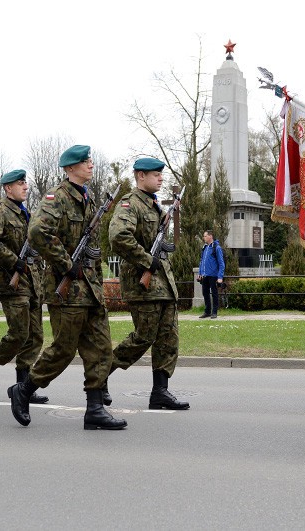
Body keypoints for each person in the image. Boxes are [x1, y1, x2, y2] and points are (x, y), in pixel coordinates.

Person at [9, 144, 127, 430]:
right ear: (71, 168)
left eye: (91, 160)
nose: (91, 165)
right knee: (63, 350)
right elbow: (37, 231)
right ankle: (24, 390)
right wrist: (65, 263)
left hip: (91, 289)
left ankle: (95, 409)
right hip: (68, 290)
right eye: (85, 161)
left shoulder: (87, 198)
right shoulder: (57, 197)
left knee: (101, 349)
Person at [104, 157, 189, 410]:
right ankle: (100, 374)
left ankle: (160, 392)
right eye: (155, 174)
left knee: (168, 339)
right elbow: (118, 236)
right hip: (143, 285)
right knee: (143, 337)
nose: (160, 178)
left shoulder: (153, 205)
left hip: (163, 283)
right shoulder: (130, 203)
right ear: (141, 176)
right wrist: (146, 259)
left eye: (161, 174)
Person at [0, 169, 48, 404]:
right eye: (20, 183)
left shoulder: (26, 213)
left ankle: (23, 387)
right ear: (8, 188)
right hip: (11, 281)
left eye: (25, 182)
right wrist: (13, 261)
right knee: (19, 333)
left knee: (35, 336)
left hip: (31, 281)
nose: (26, 186)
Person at [198, 230, 225, 319]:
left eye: (205, 236)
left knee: (214, 294)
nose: (204, 238)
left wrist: (220, 277)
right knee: (205, 293)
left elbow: (221, 263)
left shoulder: (217, 248)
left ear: (210, 236)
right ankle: (207, 311)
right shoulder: (205, 247)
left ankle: (214, 312)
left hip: (213, 275)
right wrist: (200, 273)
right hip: (205, 275)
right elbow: (201, 261)